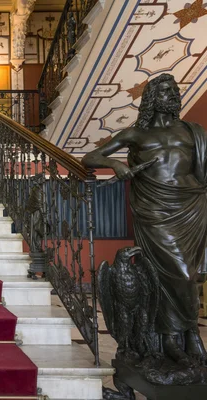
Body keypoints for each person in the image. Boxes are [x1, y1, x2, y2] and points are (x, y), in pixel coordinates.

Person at [82, 73, 207, 366]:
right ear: (151, 97)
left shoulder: (193, 131)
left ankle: (187, 336)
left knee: (190, 274)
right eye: (165, 91)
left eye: (175, 90)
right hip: (154, 209)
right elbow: (90, 157)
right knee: (171, 272)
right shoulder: (135, 134)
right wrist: (115, 164)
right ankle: (174, 337)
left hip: (190, 206)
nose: (173, 95)